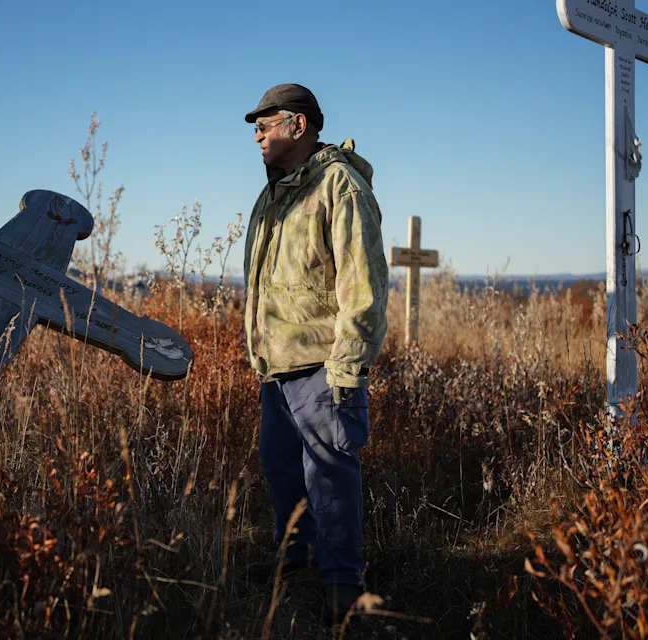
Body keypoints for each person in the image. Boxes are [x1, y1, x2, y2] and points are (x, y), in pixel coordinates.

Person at [242, 83, 389, 623]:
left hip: (323, 364)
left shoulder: (340, 187)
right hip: (276, 363)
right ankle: (297, 556)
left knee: (329, 468)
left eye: (266, 123)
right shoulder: (272, 194)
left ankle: (341, 584)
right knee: (280, 465)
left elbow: (363, 283)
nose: (256, 133)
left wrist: (348, 364)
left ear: (298, 126)